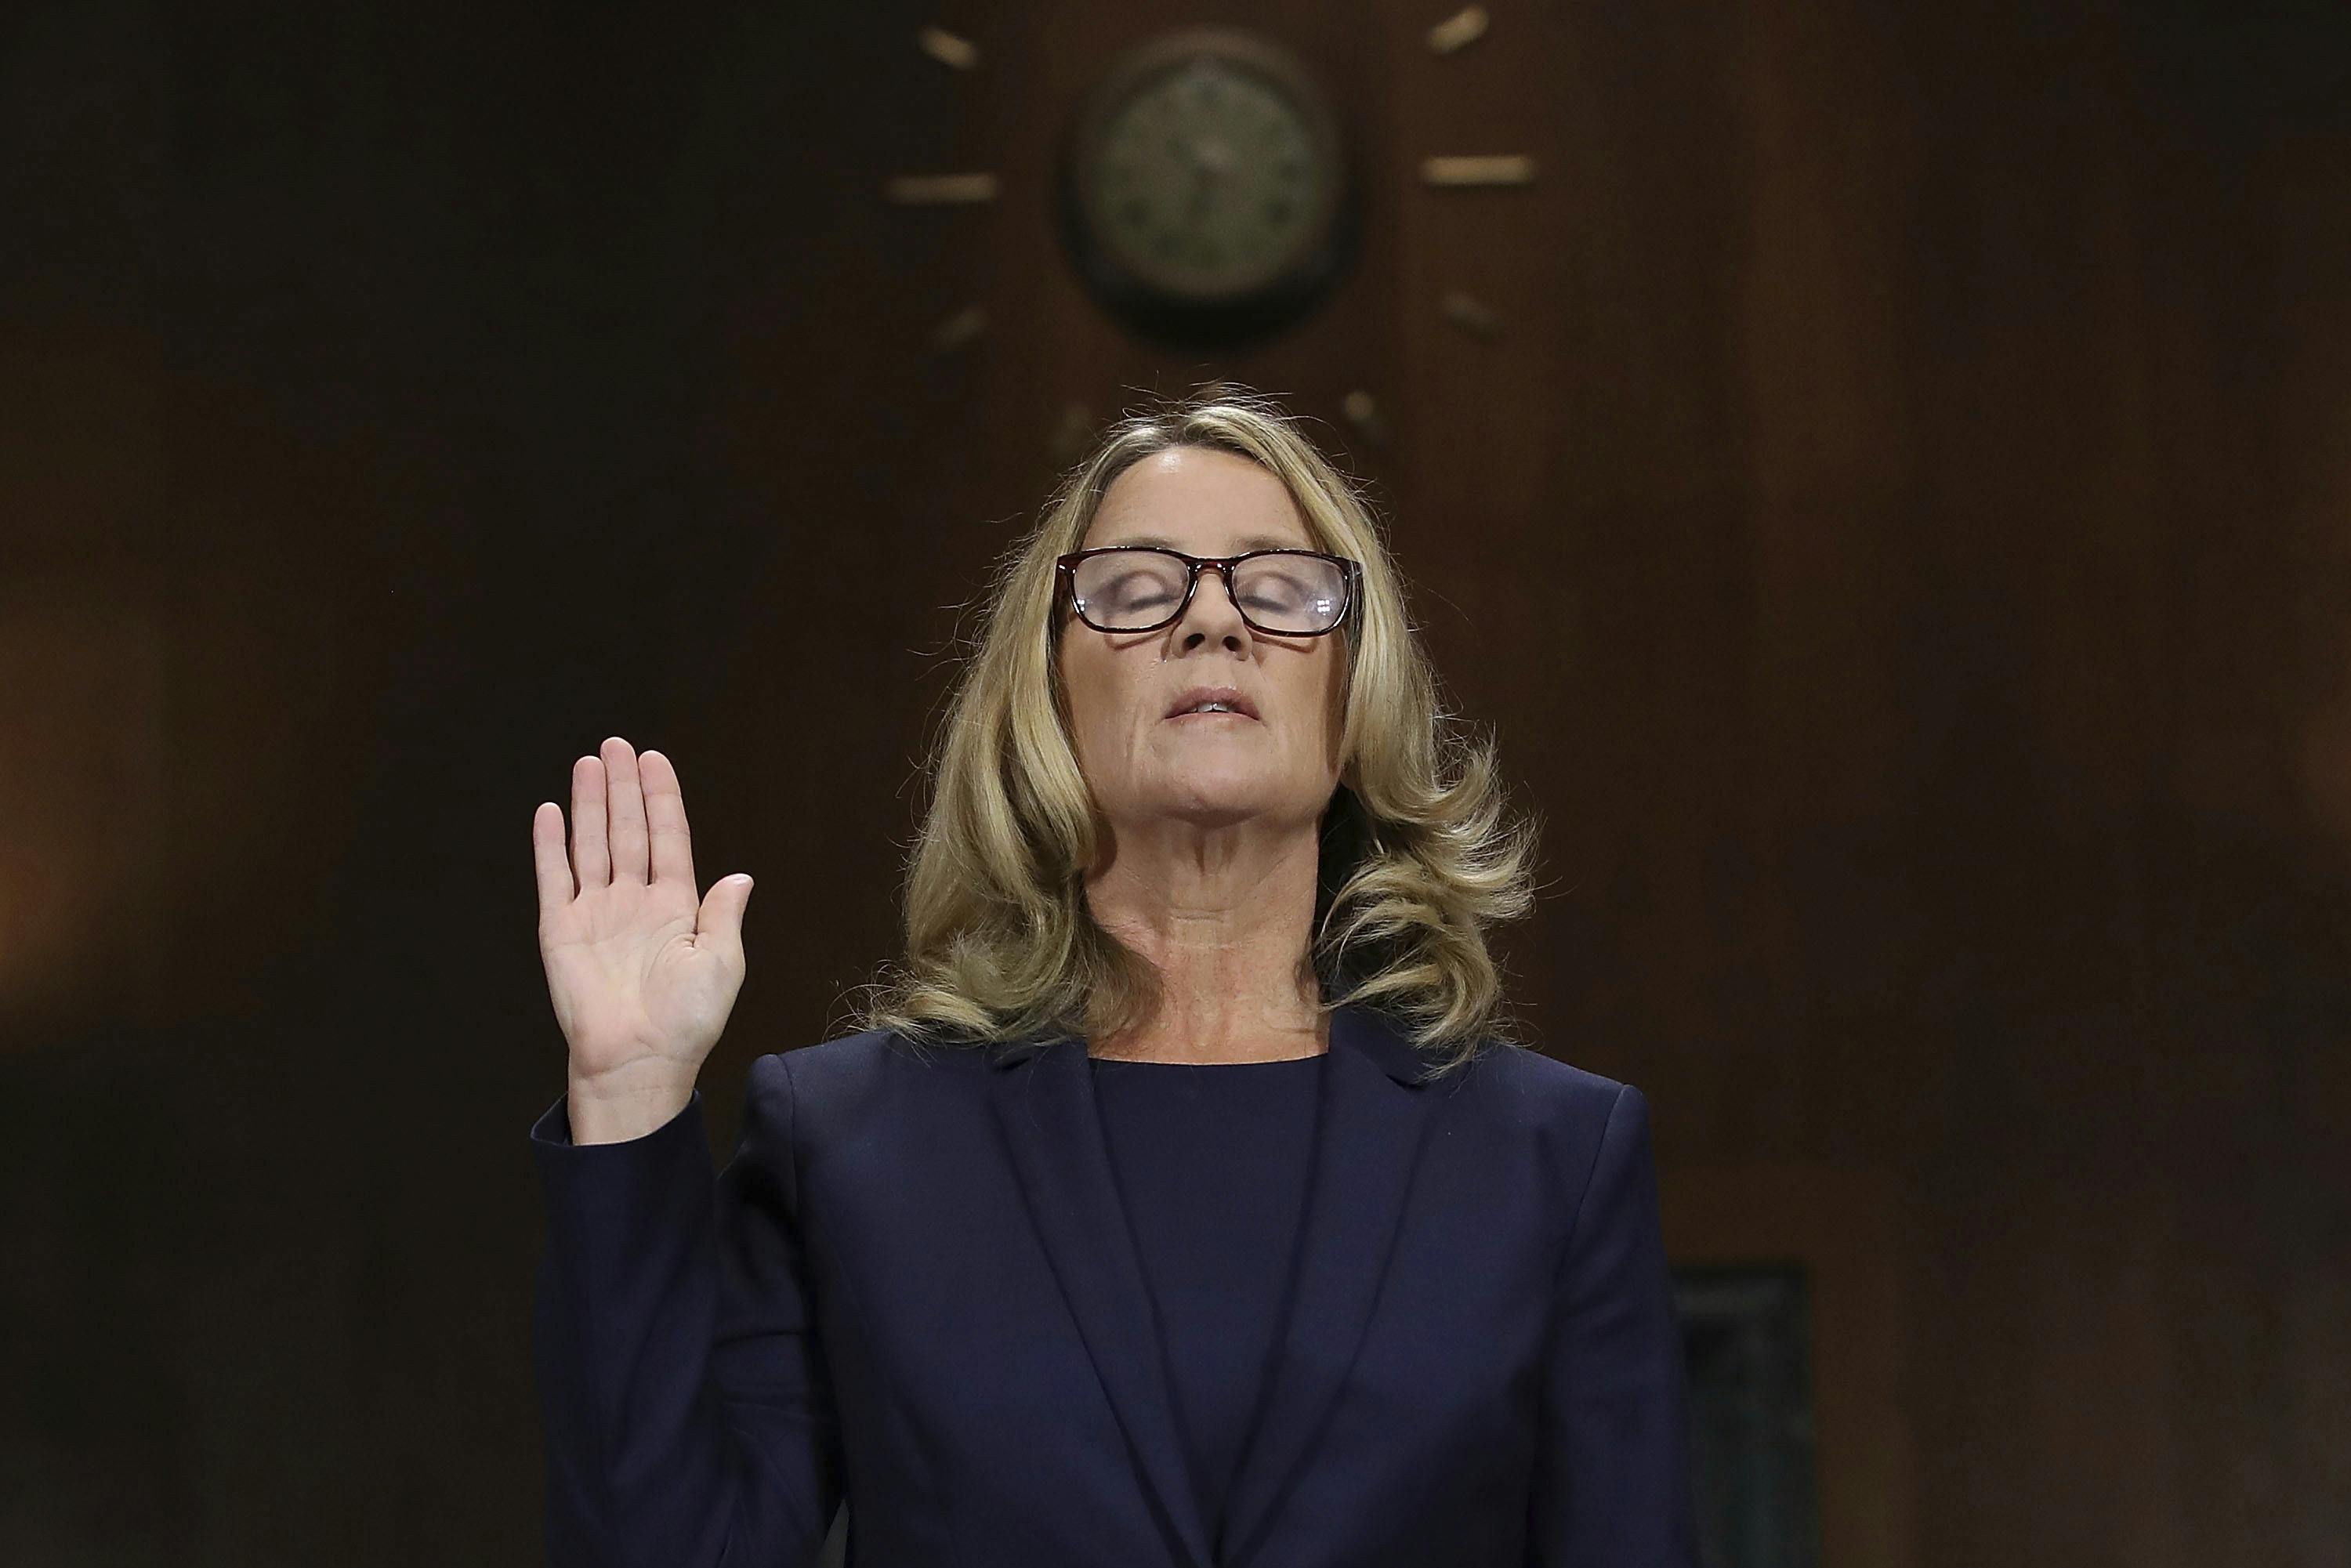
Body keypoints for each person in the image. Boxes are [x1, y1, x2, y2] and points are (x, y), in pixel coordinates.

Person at [527, 386, 1700, 1568]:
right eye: (1139, 590)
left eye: (1281, 590)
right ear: (1050, 693)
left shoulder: (1554, 1158)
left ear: (1352, 700)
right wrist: (627, 1097)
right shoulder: (848, 1140)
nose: (1215, 622)